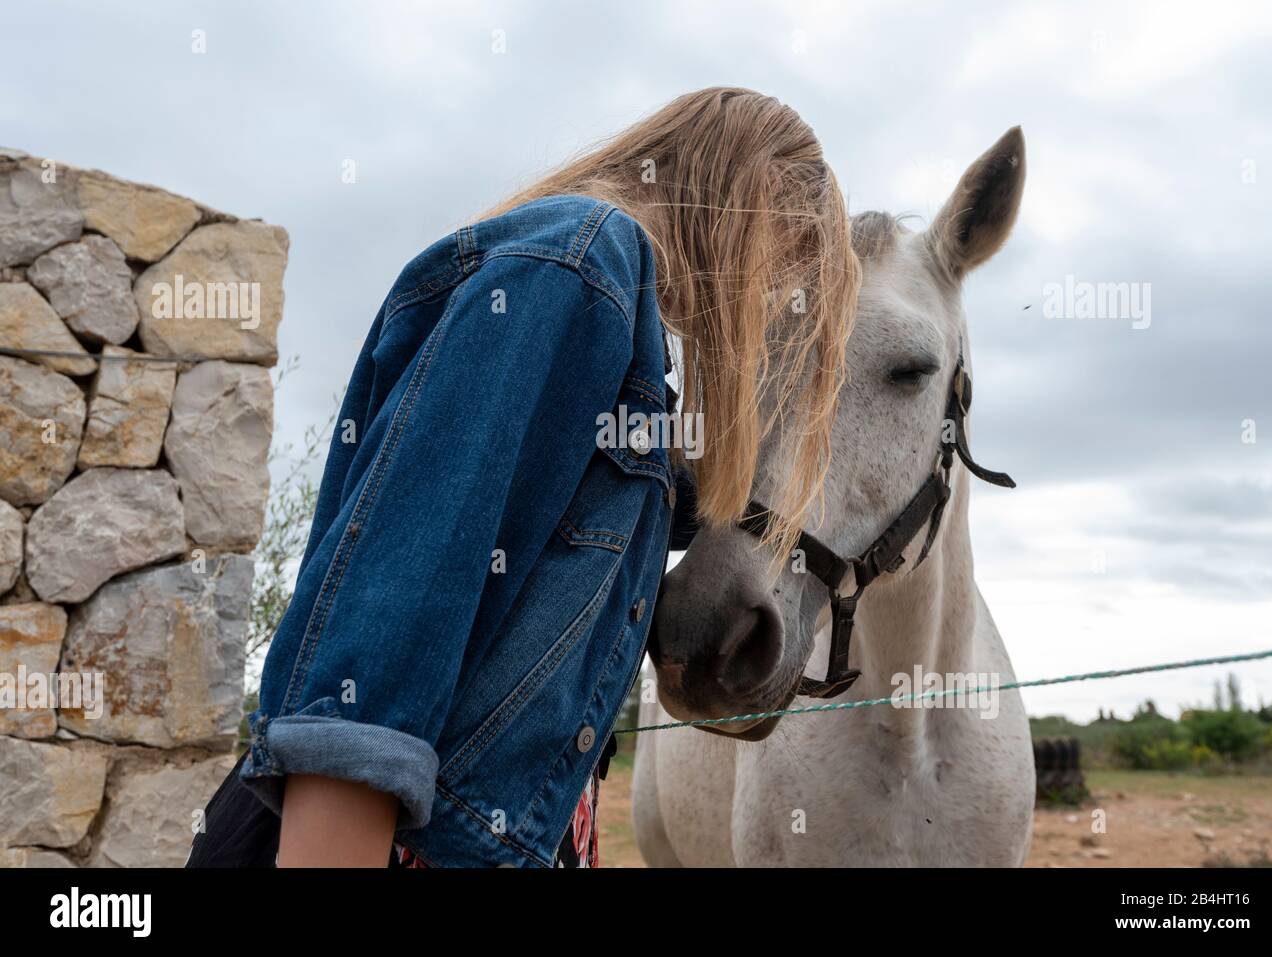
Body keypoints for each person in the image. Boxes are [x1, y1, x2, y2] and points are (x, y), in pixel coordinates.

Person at [190, 86, 860, 867]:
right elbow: (396, 608)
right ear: (755, 207)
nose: (776, 304)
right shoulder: (580, 264)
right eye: (787, 268)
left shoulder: (618, 327)